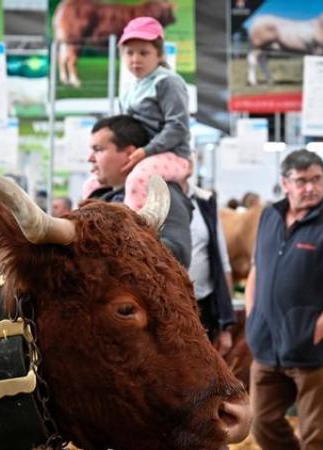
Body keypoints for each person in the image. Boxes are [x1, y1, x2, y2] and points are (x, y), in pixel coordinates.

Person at [245, 149, 323, 450]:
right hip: (267, 347)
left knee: (315, 435)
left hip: (314, 354)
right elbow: (257, 271)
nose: (310, 188)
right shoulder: (269, 216)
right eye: (301, 181)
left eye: (316, 180)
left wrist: (314, 333)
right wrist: (253, 320)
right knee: (261, 423)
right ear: (285, 183)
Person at [82, 17, 191, 211]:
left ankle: (135, 236)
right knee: (92, 184)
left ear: (159, 54)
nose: (135, 59)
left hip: (172, 155)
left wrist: (146, 151)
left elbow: (178, 126)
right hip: (140, 155)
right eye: (129, 53)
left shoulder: (168, 82)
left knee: (138, 179)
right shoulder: (129, 90)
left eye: (144, 53)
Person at [87, 115, 192, 267]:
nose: (90, 158)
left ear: (130, 154)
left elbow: (178, 255)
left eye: (98, 150)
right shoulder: (96, 199)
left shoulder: (161, 195)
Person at [182, 174, 236, 355]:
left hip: (203, 309)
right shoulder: (145, 199)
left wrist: (225, 324)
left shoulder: (205, 201)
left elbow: (223, 264)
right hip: (168, 311)